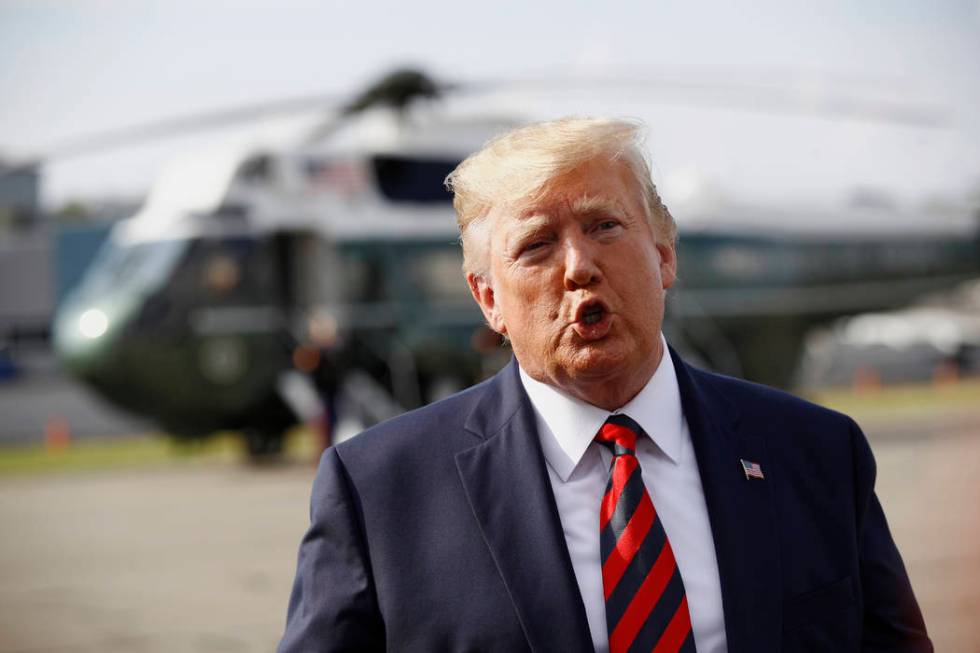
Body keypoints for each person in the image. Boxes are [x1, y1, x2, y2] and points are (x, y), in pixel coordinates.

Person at [278, 117, 932, 652]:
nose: (579, 266)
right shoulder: (379, 491)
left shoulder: (816, 454)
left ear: (665, 253)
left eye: (605, 226)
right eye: (536, 245)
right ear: (488, 300)